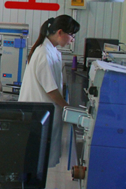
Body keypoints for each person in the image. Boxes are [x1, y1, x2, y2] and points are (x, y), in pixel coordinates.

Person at [18, 14, 80, 168]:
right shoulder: (44, 54)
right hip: (37, 113)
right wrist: (67, 107)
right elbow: (51, 91)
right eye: (71, 35)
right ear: (60, 32)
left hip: (42, 112)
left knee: (39, 159)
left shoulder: (48, 50)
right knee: (36, 160)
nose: (72, 39)